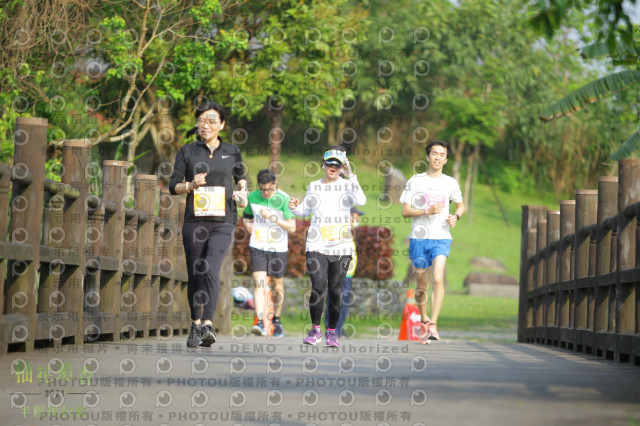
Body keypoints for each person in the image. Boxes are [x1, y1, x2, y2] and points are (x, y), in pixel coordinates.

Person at [169, 99, 248, 348]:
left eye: (211, 120)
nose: (206, 125)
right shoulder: (187, 152)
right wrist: (191, 185)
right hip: (195, 220)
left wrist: (243, 193)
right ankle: (195, 324)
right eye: (201, 120)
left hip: (224, 220)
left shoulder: (233, 151)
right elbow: (173, 186)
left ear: (221, 125)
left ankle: (208, 325)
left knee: (211, 268)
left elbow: (241, 179)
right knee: (196, 272)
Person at [289, 146, 366, 347]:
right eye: (330, 163)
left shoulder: (348, 185)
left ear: (342, 167)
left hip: (341, 246)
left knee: (336, 291)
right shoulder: (314, 186)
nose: (333, 167)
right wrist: (295, 207)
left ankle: (331, 331)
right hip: (317, 243)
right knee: (319, 285)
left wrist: (352, 176)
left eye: (337, 164)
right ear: (322, 164)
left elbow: (361, 200)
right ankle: (315, 330)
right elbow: (305, 209)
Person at [400, 140, 464, 342]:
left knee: (437, 278)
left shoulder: (450, 183)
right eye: (434, 153)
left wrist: (456, 216)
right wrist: (426, 211)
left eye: (442, 154)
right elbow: (405, 211)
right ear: (428, 157)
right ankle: (424, 320)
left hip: (442, 237)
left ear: (446, 159)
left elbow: (461, 206)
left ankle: (434, 324)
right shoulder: (415, 181)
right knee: (421, 285)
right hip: (419, 238)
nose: (437, 157)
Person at [242, 169, 296, 337]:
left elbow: (292, 227)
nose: (265, 193)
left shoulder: (284, 199)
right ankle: (260, 322)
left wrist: (273, 218)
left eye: (268, 189)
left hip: (278, 248)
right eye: (262, 189)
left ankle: (277, 320)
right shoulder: (252, 197)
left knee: (277, 285)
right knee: (259, 283)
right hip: (258, 245)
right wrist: (247, 225)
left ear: (275, 185)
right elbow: (247, 216)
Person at [323, 206, 365, 337]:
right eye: (356, 215)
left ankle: (338, 328)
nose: (358, 219)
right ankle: (333, 329)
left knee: (342, 301)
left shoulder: (347, 231)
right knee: (336, 301)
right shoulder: (340, 229)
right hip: (340, 272)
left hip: (348, 273)